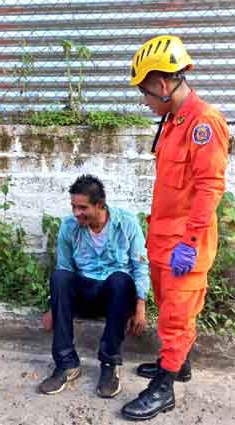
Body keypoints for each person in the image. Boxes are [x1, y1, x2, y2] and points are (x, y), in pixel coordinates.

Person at [120, 35, 230, 421]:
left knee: (176, 317)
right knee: (170, 307)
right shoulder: (173, 121)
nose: (144, 101)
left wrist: (192, 241)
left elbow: (209, 187)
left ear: (163, 84)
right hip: (164, 239)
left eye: (145, 92)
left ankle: (164, 388)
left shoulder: (204, 123)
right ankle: (177, 364)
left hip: (185, 243)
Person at [38, 175, 150, 398]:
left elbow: (139, 266)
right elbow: (65, 268)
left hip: (115, 297)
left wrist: (140, 307)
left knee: (120, 279)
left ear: (100, 205)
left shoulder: (126, 223)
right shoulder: (69, 227)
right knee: (60, 276)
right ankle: (66, 364)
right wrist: (54, 308)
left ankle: (109, 364)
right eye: (73, 207)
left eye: (82, 208)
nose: (76, 213)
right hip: (85, 293)